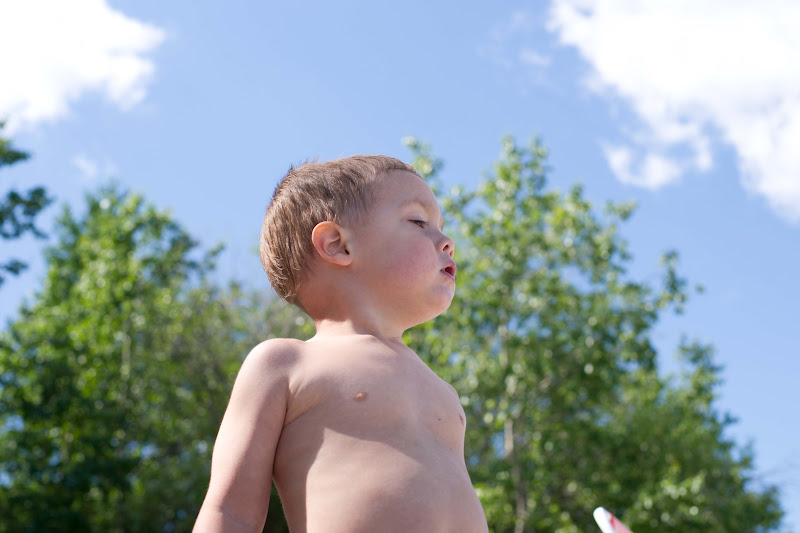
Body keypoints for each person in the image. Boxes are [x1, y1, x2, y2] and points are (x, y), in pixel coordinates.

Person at [193, 156, 488, 532]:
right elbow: (231, 512)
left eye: (441, 228)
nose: (447, 242)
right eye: (419, 222)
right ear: (337, 244)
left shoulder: (444, 389)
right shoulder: (286, 364)